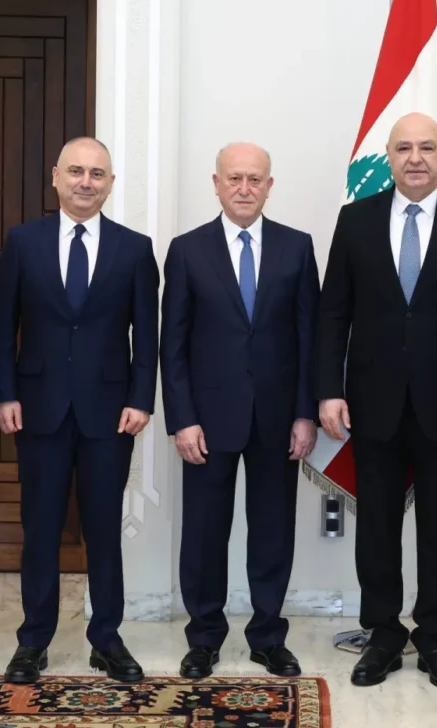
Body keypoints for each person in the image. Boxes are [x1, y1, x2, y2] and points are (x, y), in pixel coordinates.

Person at [317, 112, 437, 690]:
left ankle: (435, 638)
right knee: (375, 525)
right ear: (389, 155)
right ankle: (382, 634)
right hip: (371, 401)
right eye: (404, 148)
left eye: (427, 147)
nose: (416, 158)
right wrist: (328, 389)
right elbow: (334, 313)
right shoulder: (356, 219)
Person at [0, 136, 159, 683]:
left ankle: (106, 638)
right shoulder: (23, 242)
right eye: (77, 171)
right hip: (37, 409)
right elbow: (2, 327)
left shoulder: (135, 248)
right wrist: (4, 393)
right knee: (39, 527)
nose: (86, 182)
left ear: (110, 184)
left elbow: (147, 335)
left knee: (104, 530)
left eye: (97, 174)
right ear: (56, 177)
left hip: (110, 414)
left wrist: (140, 398)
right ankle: (33, 641)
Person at [160, 142, 319, 679]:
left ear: (269, 186)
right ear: (217, 183)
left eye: (255, 179)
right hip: (206, 421)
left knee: (273, 532)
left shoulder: (297, 247)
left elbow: (309, 339)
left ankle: (268, 637)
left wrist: (305, 414)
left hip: (278, 419)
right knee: (205, 533)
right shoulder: (187, 250)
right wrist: (182, 419)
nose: (245, 188)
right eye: (235, 179)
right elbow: (172, 344)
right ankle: (204, 637)